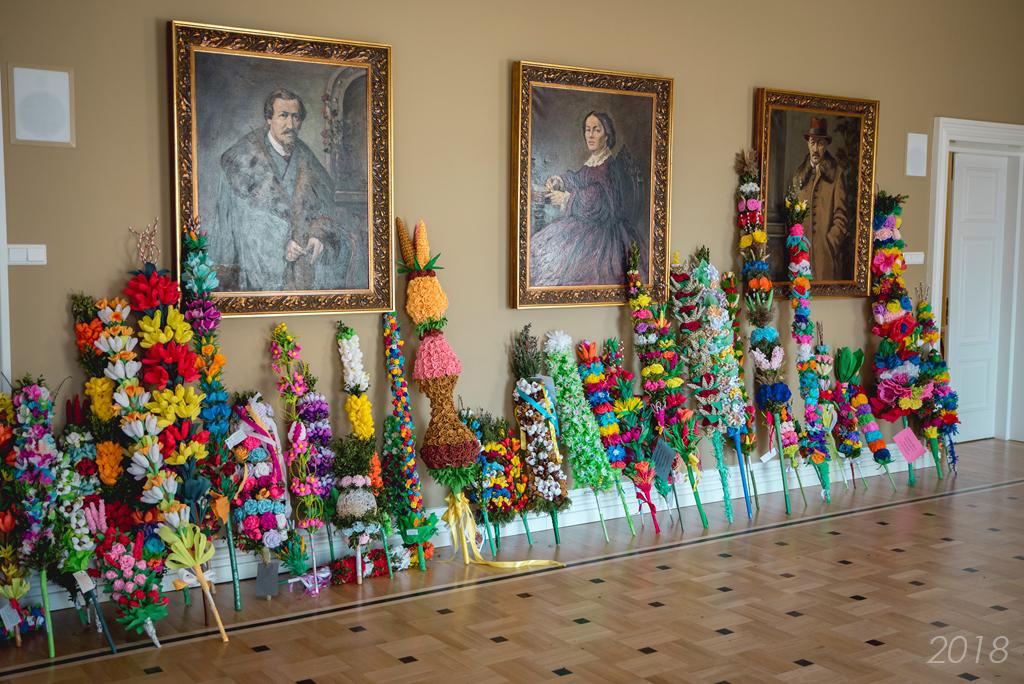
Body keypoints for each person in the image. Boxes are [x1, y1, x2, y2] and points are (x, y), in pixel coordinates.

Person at [209, 88, 362, 292]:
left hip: (305, 263)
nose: (290, 125)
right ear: (269, 118)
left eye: (295, 117)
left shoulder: (307, 158)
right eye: (283, 115)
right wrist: (281, 243)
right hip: (259, 267)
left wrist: (318, 234)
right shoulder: (240, 160)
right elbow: (242, 223)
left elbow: (325, 208)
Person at [529, 111, 648, 287]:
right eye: (587, 129)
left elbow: (599, 201)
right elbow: (579, 178)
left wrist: (566, 198)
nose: (590, 135)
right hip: (585, 223)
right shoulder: (595, 160)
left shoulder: (608, 165)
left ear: (606, 135)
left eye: (596, 130)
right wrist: (560, 181)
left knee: (567, 266)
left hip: (602, 232)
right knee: (539, 249)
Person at [789, 117, 849, 281]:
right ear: (808, 144)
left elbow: (842, 216)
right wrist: (796, 246)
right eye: (813, 143)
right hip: (801, 257)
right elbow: (792, 216)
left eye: (820, 144)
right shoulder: (798, 177)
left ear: (826, 146)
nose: (815, 149)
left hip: (826, 258)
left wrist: (830, 243)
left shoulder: (837, 174)